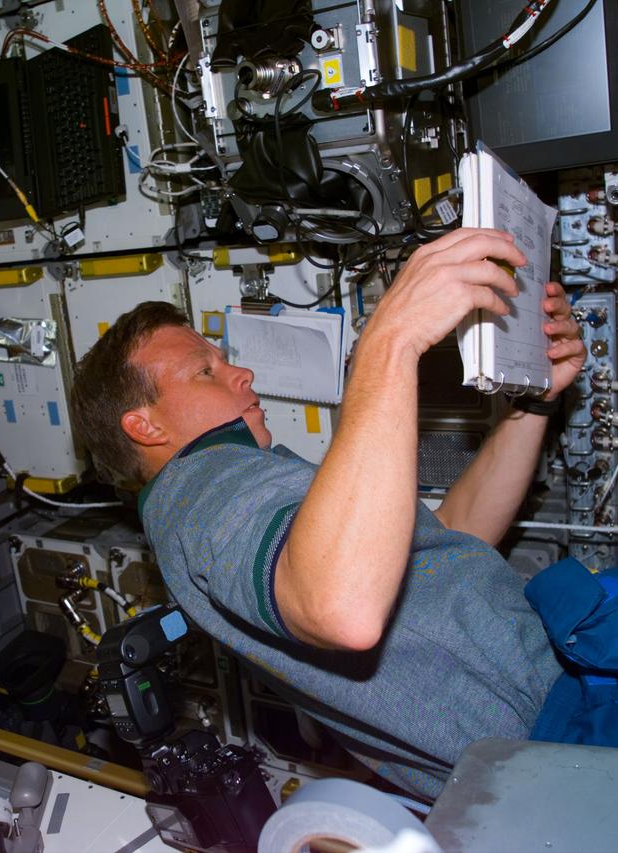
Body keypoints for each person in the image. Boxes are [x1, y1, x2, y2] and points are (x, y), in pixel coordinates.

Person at [70, 227, 588, 800]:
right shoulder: (200, 491)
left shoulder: (225, 487)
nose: (240, 374)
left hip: (547, 751)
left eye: (225, 361)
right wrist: (388, 342)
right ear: (145, 427)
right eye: (205, 372)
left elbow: (453, 539)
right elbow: (343, 609)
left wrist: (533, 405)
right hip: (568, 730)